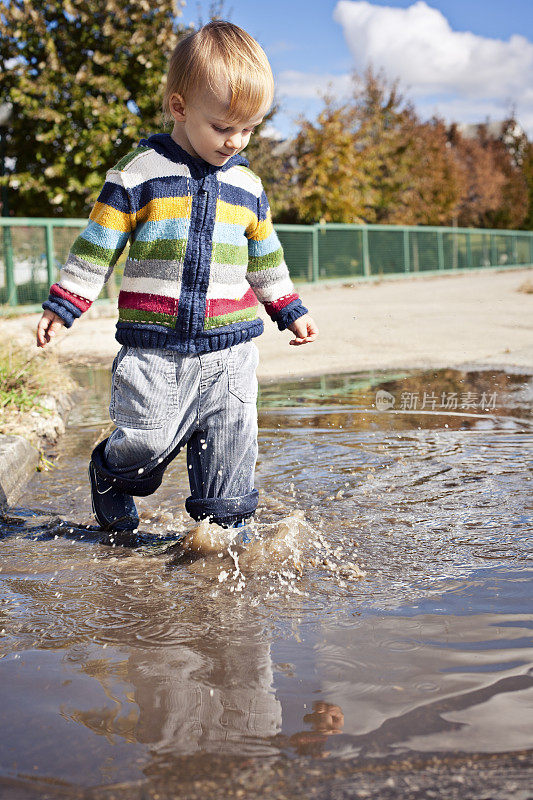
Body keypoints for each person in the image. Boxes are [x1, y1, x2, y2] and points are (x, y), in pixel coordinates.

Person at [36, 20, 318, 534]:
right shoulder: (138, 172)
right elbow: (98, 243)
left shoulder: (248, 186)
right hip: (156, 350)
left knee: (232, 460)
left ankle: (221, 550)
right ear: (181, 107)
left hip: (232, 351)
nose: (236, 141)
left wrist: (288, 309)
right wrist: (66, 303)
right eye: (224, 127)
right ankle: (110, 474)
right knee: (145, 442)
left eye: (249, 128)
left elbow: (265, 256)